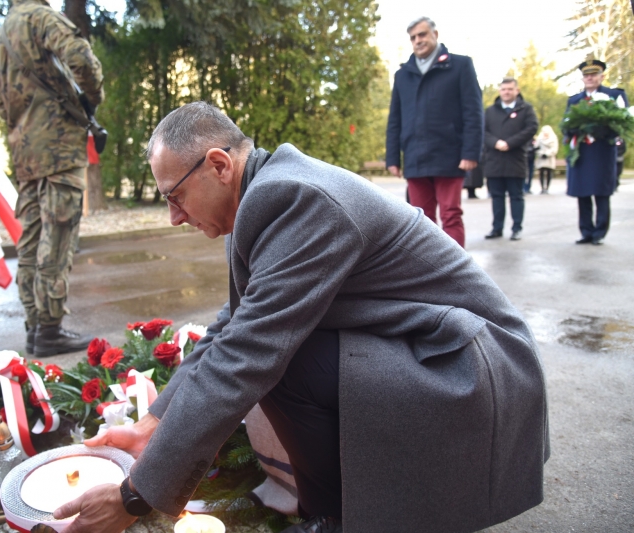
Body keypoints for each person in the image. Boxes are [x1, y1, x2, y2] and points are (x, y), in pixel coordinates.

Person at [52, 102, 549, 533]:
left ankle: (337, 517)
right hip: (433, 349)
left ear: (220, 164)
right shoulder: (268, 192)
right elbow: (232, 326)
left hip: (473, 369)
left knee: (282, 358)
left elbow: (246, 354)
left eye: (174, 196)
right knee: (283, 348)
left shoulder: (291, 197)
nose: (174, 217)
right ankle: (335, 512)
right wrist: (153, 424)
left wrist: (133, 497)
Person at [0, 0, 104, 356]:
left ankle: (34, 327)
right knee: (56, 236)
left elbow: (1, 99)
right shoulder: (40, 17)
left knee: (31, 239)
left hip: (25, 150)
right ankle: (51, 330)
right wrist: (92, 96)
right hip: (57, 145)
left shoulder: (3, 32)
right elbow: (81, 58)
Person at [386, 16, 483, 248]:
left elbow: (473, 112)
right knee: (421, 219)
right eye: (413, 38)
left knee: (451, 215)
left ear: (435, 35)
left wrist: (471, 152)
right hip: (415, 157)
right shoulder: (403, 75)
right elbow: (395, 119)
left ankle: (456, 272)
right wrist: (392, 158)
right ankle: (429, 273)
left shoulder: (460, 65)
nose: (418, 41)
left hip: (450, 155)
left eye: (422, 35)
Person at [564, 59, 629, 245]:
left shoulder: (613, 96)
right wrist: (574, 129)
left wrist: (600, 130)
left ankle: (599, 232)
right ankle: (586, 231)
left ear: (602, 76)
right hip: (581, 152)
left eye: (594, 74)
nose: (590, 78)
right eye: (586, 75)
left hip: (602, 152)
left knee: (601, 192)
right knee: (583, 192)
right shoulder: (574, 100)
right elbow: (566, 125)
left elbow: (622, 122)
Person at [483, 78, 538, 241]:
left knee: (516, 196)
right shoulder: (490, 110)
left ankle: (516, 228)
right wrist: (496, 143)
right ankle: (497, 228)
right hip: (494, 160)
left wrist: (510, 143)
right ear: (500, 91)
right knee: (497, 196)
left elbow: (531, 128)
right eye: (503, 89)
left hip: (516, 158)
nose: (506, 92)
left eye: (509, 89)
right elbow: (482, 131)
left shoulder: (526, 109)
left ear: (517, 90)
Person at [534, 126, 558, 193]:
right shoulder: (539, 138)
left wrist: (547, 154)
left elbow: (554, 148)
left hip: (549, 158)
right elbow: (536, 147)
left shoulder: (553, 138)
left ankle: (547, 188)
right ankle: (542, 188)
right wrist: (540, 153)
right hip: (541, 157)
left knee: (549, 173)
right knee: (541, 172)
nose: (545, 133)